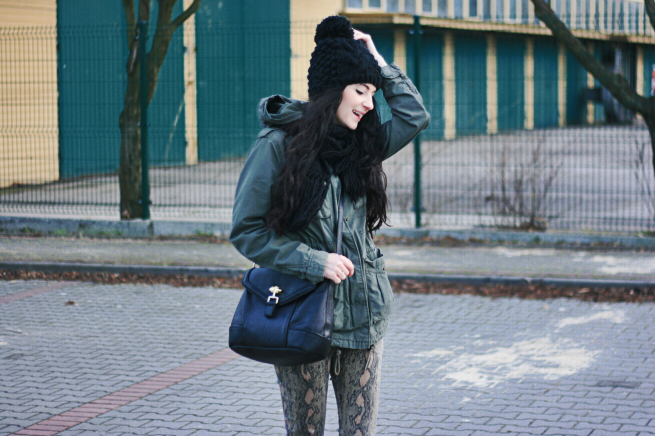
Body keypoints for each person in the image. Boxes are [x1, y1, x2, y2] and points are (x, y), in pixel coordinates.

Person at [230, 15, 429, 436]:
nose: (369, 103)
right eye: (360, 90)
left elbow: (415, 116)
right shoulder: (278, 146)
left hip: (364, 315)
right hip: (302, 313)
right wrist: (314, 261)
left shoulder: (363, 144)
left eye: (372, 92)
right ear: (332, 89)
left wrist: (379, 64)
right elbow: (247, 231)